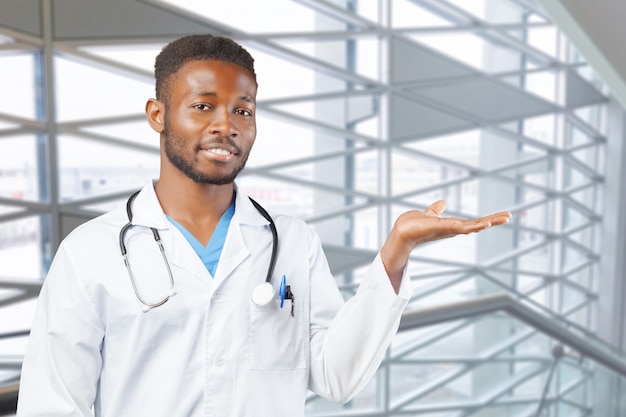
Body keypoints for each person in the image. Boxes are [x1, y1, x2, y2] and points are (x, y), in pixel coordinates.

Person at [16, 34, 511, 417]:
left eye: (242, 110)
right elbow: (53, 404)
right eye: (203, 106)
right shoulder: (91, 253)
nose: (226, 124)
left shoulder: (291, 241)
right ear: (158, 115)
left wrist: (396, 249)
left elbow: (336, 375)